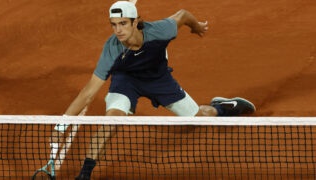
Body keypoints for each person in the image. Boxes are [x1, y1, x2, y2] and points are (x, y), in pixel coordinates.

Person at [51, 1, 256, 179]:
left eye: (123, 24)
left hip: (158, 79)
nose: (118, 30)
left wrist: (196, 27)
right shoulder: (112, 49)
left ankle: (222, 107)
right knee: (111, 121)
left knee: (198, 119)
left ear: (135, 21)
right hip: (126, 81)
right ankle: (85, 173)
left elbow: (183, 15)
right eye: (113, 25)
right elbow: (88, 92)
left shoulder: (160, 31)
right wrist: (61, 125)